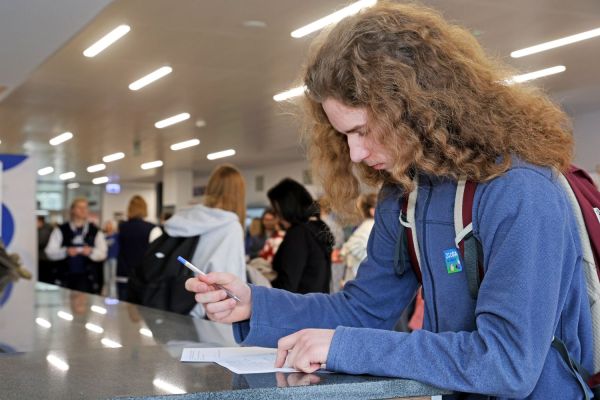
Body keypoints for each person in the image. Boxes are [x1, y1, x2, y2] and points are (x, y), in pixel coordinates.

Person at [184, 3, 594, 399]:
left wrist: (343, 347)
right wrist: (255, 304)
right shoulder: (405, 193)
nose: (356, 154)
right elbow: (363, 310)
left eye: (362, 130)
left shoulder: (519, 190)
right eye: (344, 135)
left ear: (415, 107)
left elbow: (507, 363)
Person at [164, 164, 248, 318]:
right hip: (210, 313)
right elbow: (232, 279)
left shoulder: (185, 218)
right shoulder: (231, 227)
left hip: (176, 302)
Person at [267, 178, 333, 294]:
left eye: (278, 211)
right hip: (316, 303)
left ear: (288, 207)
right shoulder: (317, 227)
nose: (278, 218)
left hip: (298, 306)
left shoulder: (298, 234)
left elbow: (287, 285)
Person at [45, 198, 107, 294]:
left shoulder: (95, 231)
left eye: (85, 207)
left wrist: (91, 252)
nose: (83, 210)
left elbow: (103, 253)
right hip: (65, 279)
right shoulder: (61, 230)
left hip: (89, 280)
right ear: (72, 210)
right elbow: (49, 252)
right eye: (79, 207)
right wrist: (66, 251)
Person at [117, 195, 162, 301]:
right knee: (144, 312)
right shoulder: (153, 229)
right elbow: (157, 256)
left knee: (124, 311)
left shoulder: (122, 227)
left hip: (123, 274)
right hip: (144, 278)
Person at [339, 192, 377, 284]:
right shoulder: (370, 226)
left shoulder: (369, 225)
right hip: (360, 277)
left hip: (358, 276)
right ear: (372, 211)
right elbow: (351, 247)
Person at [102, 220, 119, 298]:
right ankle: (107, 294)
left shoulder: (116, 235)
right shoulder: (103, 236)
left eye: (110, 225)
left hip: (113, 258)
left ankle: (113, 295)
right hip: (105, 258)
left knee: (112, 277)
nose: (109, 226)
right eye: (107, 225)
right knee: (106, 278)